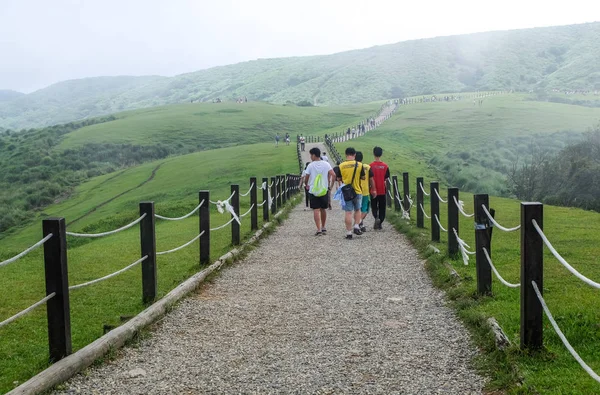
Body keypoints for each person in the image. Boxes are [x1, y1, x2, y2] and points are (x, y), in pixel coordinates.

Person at [303, 147, 335, 236]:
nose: (310, 157)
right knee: (323, 209)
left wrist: (306, 184)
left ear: (313, 155)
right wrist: (330, 185)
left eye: (311, 155)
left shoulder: (310, 165)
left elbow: (306, 177)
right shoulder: (326, 164)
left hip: (313, 190)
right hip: (324, 189)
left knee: (316, 210)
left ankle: (318, 229)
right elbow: (333, 174)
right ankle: (324, 226)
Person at [336, 147, 365, 239]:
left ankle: (349, 233)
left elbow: (339, 179)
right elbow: (363, 177)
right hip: (357, 191)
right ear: (354, 155)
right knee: (357, 209)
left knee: (348, 212)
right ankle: (356, 226)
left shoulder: (341, 165)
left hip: (346, 192)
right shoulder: (359, 165)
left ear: (346, 154)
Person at [369, 146, 390, 229]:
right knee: (382, 206)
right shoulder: (385, 166)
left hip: (373, 190)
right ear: (381, 154)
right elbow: (386, 179)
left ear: (374, 153)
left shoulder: (370, 166)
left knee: (374, 206)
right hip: (382, 189)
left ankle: (376, 217)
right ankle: (380, 220)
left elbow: (369, 179)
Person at [355, 151, 375, 233]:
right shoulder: (367, 167)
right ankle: (358, 223)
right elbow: (371, 179)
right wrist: (373, 189)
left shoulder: (354, 167)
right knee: (365, 209)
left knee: (357, 209)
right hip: (365, 191)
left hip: (355, 191)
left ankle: (359, 223)